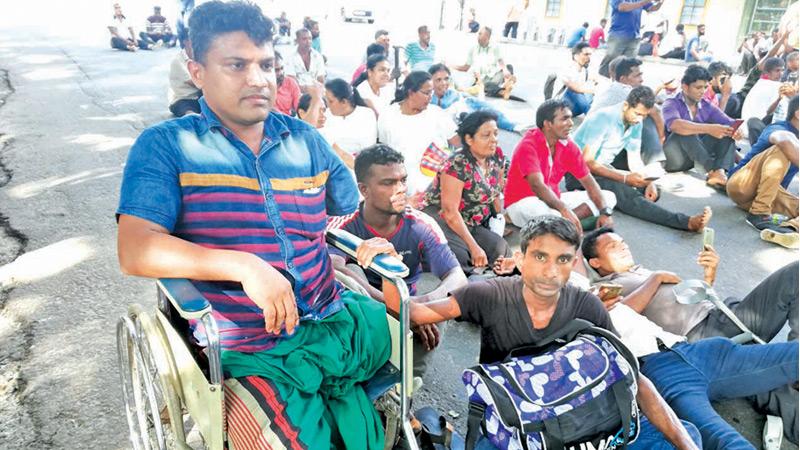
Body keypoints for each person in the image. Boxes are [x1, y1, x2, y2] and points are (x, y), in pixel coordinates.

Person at [116, 2, 389, 449]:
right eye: (237, 65)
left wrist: (370, 242)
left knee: (399, 329)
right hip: (250, 346)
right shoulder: (166, 146)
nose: (259, 79)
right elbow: (135, 249)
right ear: (198, 72)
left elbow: (344, 209)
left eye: (267, 65)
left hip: (332, 319)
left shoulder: (305, 140)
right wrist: (245, 266)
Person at [380, 216, 705, 450]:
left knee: (685, 432)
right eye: (540, 257)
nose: (551, 271)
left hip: (584, 418)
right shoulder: (489, 295)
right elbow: (411, 313)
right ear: (521, 258)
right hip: (520, 423)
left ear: (574, 263)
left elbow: (631, 377)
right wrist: (387, 266)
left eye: (562, 259)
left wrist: (685, 445)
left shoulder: (587, 305)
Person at [577, 227, 799, 449]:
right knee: (728, 437)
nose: (623, 246)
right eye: (613, 246)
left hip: (704, 341)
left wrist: (708, 278)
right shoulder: (600, 294)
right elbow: (607, 315)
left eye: (623, 241)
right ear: (595, 262)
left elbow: (690, 302)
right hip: (675, 355)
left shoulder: (640, 272)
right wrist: (655, 279)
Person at [327, 145, 467, 375]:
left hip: (410, 311)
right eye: (388, 183)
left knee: (444, 303)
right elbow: (335, 269)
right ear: (364, 189)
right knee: (352, 273)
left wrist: (423, 306)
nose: (400, 189)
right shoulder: (344, 223)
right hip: (364, 307)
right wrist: (401, 307)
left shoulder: (421, 225)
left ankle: (407, 383)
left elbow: (457, 277)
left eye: (403, 180)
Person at [569, 87, 712, 232]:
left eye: (644, 115)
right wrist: (624, 178)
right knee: (625, 192)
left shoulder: (636, 121)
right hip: (579, 173)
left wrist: (649, 182)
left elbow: (634, 158)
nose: (640, 119)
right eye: (637, 114)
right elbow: (588, 162)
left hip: (605, 164)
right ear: (626, 106)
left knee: (649, 189)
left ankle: (634, 197)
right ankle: (685, 222)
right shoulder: (603, 118)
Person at [503, 99, 616, 233]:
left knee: (609, 197)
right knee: (551, 215)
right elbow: (537, 185)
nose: (571, 123)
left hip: (554, 199)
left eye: (571, 118)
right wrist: (564, 209)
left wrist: (605, 212)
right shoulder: (528, 145)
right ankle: (564, 223)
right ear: (548, 124)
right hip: (523, 202)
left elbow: (589, 181)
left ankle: (562, 225)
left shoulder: (567, 145)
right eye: (564, 119)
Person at [421, 111, 512, 277]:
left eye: (495, 134)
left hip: (471, 221)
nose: (494, 140)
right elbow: (450, 212)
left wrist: (497, 221)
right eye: (486, 135)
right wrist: (474, 246)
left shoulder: (497, 158)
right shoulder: (456, 164)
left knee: (500, 249)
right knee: (462, 255)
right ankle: (469, 287)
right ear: (469, 139)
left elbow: (496, 194)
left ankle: (499, 284)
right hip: (441, 217)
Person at [727, 95, 799, 248]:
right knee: (782, 148)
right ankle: (759, 212)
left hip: (770, 195)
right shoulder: (779, 128)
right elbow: (784, 140)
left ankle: (788, 229)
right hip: (741, 185)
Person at [377, 71, 458, 195]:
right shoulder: (388, 116)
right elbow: (385, 149)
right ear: (411, 92)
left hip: (438, 186)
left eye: (431, 92)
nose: (430, 97)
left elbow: (459, 144)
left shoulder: (437, 114)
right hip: (403, 188)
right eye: (426, 93)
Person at [662, 65, 741, 188]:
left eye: (705, 87)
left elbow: (729, 122)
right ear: (685, 87)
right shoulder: (671, 103)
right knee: (685, 131)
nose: (702, 91)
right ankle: (712, 172)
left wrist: (736, 130)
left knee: (725, 131)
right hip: (672, 159)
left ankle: (720, 172)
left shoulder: (706, 105)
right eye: (698, 87)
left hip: (693, 159)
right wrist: (709, 129)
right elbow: (675, 126)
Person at [589, 56, 666, 164]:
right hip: (597, 152)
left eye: (641, 74)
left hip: (604, 146)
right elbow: (656, 111)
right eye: (637, 76)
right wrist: (661, 138)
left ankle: (651, 159)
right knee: (646, 118)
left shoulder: (616, 88)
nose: (641, 79)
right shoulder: (622, 90)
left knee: (639, 116)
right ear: (623, 79)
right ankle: (655, 160)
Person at [428, 64, 525, 133]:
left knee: (492, 111)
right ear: (430, 82)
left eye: (446, 79)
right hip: (463, 110)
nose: (444, 83)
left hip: (467, 100)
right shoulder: (428, 100)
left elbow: (460, 93)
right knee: (484, 116)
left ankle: (515, 126)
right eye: (438, 80)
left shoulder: (452, 93)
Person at [599, 0, 665, 78]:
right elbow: (622, 7)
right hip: (618, 35)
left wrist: (661, 2)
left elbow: (652, 8)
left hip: (634, 37)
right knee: (611, 60)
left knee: (628, 65)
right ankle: (603, 80)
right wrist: (644, 2)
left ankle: (622, 84)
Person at [323, 78, 377, 168]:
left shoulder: (366, 115)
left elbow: (368, 150)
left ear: (344, 102)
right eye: (326, 101)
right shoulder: (325, 115)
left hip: (358, 167)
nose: (327, 105)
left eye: (331, 101)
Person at [452, 26, 516, 100]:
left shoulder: (495, 47)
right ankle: (503, 91)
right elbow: (466, 67)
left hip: (494, 77)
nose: (478, 36)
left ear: (487, 36)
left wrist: (505, 70)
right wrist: (451, 65)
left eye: (480, 34)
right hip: (480, 80)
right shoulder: (473, 49)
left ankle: (505, 85)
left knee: (509, 67)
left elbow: (500, 60)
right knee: (484, 86)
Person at [741, 57, 787, 142]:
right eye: (777, 71)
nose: (781, 74)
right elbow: (771, 111)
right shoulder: (775, 85)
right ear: (767, 72)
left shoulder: (762, 82)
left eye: (782, 70)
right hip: (757, 129)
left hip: (751, 128)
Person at [558, 42, 598, 117]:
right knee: (574, 91)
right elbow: (576, 88)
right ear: (576, 56)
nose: (589, 57)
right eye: (586, 54)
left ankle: (592, 115)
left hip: (575, 108)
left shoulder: (585, 70)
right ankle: (591, 117)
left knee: (592, 89)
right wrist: (595, 90)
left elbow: (596, 80)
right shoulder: (567, 68)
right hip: (560, 108)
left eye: (590, 54)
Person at [167, 30, 201, 116]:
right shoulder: (178, 61)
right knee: (189, 113)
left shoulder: (201, 56)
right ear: (185, 42)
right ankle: (193, 119)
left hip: (200, 96)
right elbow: (196, 83)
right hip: (183, 99)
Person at [273, 51, 302, 116]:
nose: (281, 72)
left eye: (282, 68)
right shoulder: (262, 85)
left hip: (288, 122)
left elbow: (299, 107)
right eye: (276, 70)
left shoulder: (291, 83)